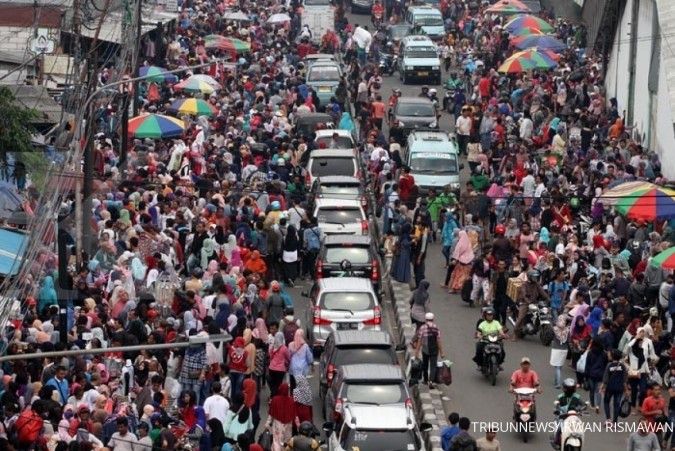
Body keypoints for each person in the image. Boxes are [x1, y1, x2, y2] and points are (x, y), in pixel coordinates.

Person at [514, 270, 549, 338]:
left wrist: (548, 298)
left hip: (534, 302)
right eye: (534, 277)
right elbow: (524, 295)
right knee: (520, 318)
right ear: (529, 277)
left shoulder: (536, 284)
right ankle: (515, 333)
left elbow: (542, 292)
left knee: (543, 311)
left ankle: (536, 324)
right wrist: (528, 301)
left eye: (536, 277)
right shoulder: (524, 284)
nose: (535, 278)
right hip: (525, 303)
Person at [415, 312, 445, 388]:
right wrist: (442, 352)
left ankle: (425, 380)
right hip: (434, 349)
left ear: (425, 319)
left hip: (425, 349)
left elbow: (419, 341)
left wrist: (417, 352)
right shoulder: (436, 328)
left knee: (425, 365)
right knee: (433, 366)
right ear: (433, 319)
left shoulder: (422, 327)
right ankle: (431, 381)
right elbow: (438, 341)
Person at [267, 383, 296, 451]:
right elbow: (294, 414)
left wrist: (267, 424)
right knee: (286, 442)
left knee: (276, 441)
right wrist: (298, 426)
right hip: (288, 425)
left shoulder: (275, 399)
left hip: (277, 424)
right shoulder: (291, 400)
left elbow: (271, 414)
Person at [550, 315, 569, 389]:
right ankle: (556, 380)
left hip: (556, 349)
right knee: (559, 366)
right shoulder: (567, 330)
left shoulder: (555, 329)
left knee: (557, 367)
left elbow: (551, 337)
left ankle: (557, 383)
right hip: (564, 349)